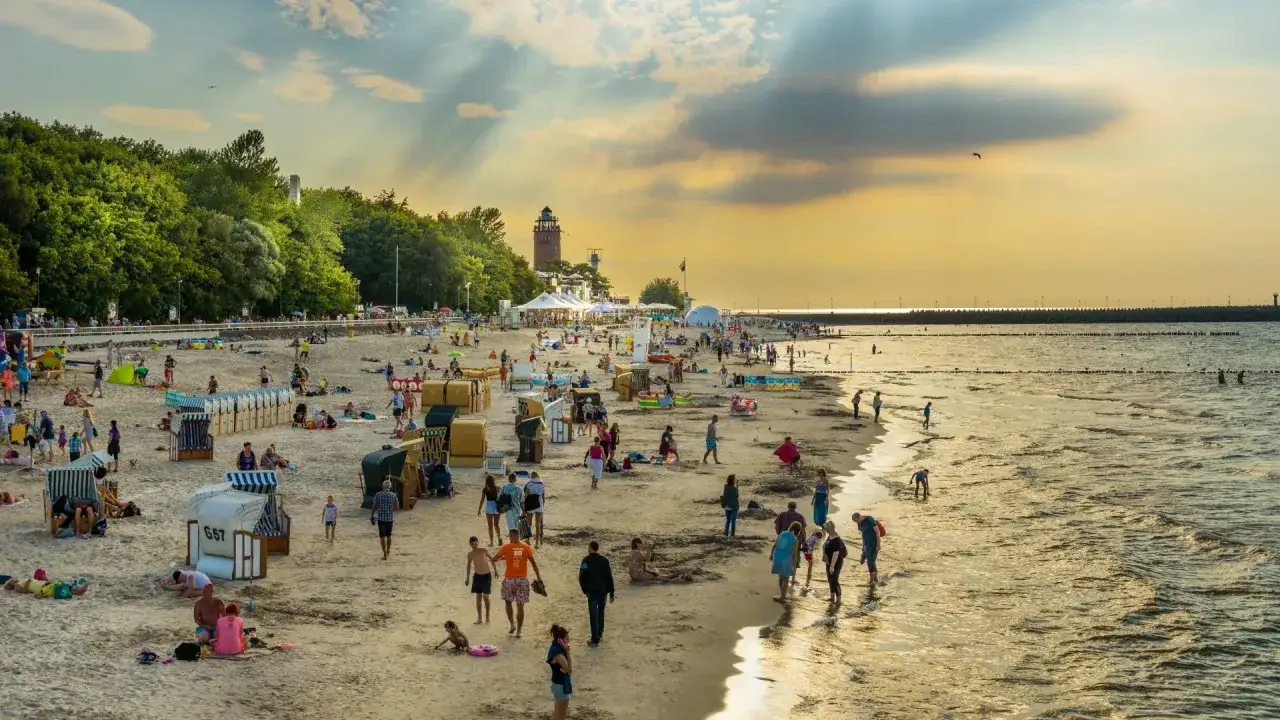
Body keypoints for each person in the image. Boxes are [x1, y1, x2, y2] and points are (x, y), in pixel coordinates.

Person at [492, 528, 543, 638]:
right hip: (522, 580)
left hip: (509, 580)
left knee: (508, 603)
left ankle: (512, 625)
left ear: (511, 536)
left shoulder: (506, 547)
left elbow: (495, 558)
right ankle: (519, 631)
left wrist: (502, 559)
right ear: (518, 536)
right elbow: (533, 564)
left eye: (509, 536)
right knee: (520, 606)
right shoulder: (526, 547)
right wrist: (539, 578)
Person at [578, 540, 615, 646]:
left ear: (590, 548)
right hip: (603, 591)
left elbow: (581, 577)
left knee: (593, 615)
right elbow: (609, 577)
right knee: (601, 612)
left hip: (592, 592)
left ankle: (595, 639)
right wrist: (612, 592)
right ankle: (600, 633)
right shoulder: (604, 561)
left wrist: (585, 590)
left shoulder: (585, 561)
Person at [770, 521, 802, 602]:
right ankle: (782, 597)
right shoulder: (795, 540)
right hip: (786, 559)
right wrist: (794, 567)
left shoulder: (782, 533)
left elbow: (775, 545)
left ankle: (782, 593)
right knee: (786, 578)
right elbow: (794, 555)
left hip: (777, 557)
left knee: (781, 577)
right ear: (797, 531)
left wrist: (771, 554)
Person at [465, 536, 494, 624]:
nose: (474, 545)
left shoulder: (483, 550)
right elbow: (469, 565)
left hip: (486, 575)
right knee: (478, 597)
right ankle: (480, 618)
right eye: (472, 543)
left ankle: (487, 616)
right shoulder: (470, 554)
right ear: (470, 545)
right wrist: (467, 578)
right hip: (477, 576)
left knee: (486, 597)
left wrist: (496, 570)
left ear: (478, 542)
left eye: (476, 542)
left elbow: (491, 559)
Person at [547, 624, 573, 720]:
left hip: (556, 684)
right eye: (566, 639)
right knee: (561, 715)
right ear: (560, 640)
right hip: (561, 686)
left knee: (558, 712)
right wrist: (568, 653)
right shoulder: (560, 656)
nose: (568, 641)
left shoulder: (553, 648)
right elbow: (569, 670)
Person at [370, 479, 399, 560]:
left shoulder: (378, 494)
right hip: (390, 518)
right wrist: (390, 509)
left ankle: (385, 554)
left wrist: (372, 516)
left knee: (382, 537)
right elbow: (397, 507)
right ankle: (388, 550)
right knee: (389, 536)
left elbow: (374, 506)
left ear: (382, 486)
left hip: (381, 519)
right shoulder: (393, 495)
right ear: (390, 487)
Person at [851, 512, 882, 587]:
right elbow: (863, 534)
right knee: (864, 561)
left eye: (857, 521)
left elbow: (877, 532)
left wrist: (878, 545)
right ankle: (874, 578)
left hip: (873, 543)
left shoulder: (869, 519)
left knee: (871, 561)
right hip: (866, 544)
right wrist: (863, 545)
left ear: (859, 517)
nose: (857, 523)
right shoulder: (859, 523)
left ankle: (873, 579)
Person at [822, 520, 848, 604]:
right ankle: (832, 597)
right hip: (829, 562)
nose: (825, 530)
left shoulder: (837, 540)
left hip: (836, 563)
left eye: (825, 529)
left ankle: (839, 600)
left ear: (829, 529)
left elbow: (836, 554)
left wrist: (832, 566)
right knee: (830, 580)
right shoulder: (830, 536)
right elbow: (825, 545)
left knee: (834, 580)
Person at [477, 474, 501, 546]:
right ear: (494, 480)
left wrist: (479, 509)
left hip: (489, 506)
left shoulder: (485, 489)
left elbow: (482, 500)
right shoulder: (498, 488)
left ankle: (492, 542)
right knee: (496, 524)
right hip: (497, 506)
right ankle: (499, 538)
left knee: (490, 526)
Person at [524, 472, 546, 548]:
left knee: (529, 524)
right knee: (538, 525)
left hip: (530, 505)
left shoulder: (529, 484)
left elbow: (525, 496)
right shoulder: (542, 484)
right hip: (539, 505)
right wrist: (542, 507)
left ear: (532, 476)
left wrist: (524, 507)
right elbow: (543, 498)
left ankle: (528, 539)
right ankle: (537, 543)